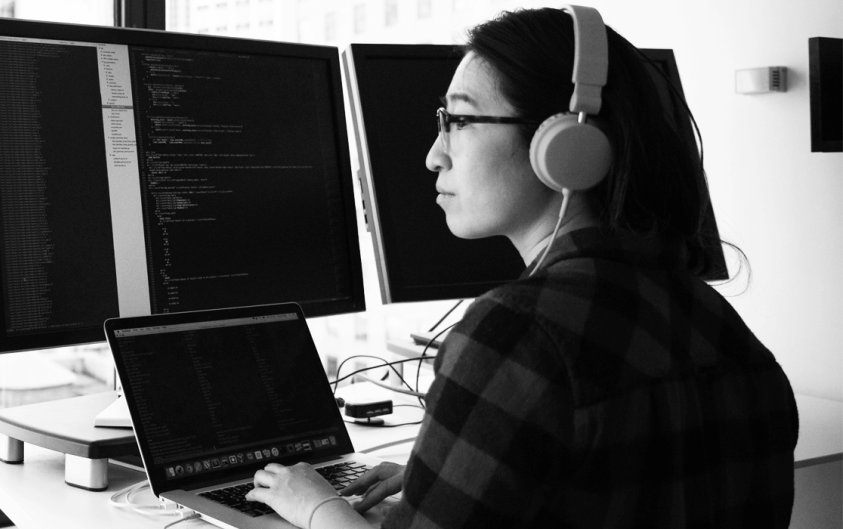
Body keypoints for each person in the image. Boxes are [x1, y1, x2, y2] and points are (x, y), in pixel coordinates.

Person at [244, 6, 798, 528]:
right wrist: (442, 479)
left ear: (565, 144)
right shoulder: (722, 325)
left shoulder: (517, 334)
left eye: (458, 119)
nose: (434, 154)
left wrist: (318, 506)